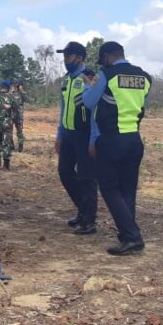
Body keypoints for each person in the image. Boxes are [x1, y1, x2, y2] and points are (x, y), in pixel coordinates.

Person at [83, 40, 152, 256]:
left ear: (107, 57)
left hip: (112, 139)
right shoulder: (144, 77)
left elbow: (88, 102)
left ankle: (133, 236)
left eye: (102, 60)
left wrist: (88, 85)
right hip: (134, 139)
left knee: (109, 188)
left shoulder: (108, 75)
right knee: (127, 190)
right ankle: (127, 236)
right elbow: (141, 105)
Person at [55, 41, 99, 235]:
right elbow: (64, 108)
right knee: (64, 172)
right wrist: (59, 134)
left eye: (68, 56)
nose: (65, 60)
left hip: (85, 135)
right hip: (68, 135)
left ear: (79, 58)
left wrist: (94, 139)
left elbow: (96, 110)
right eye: (64, 56)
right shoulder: (66, 80)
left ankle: (89, 221)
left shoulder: (90, 78)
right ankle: (83, 209)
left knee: (87, 177)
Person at [12, 78, 27, 152]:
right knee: (9, 131)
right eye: (15, 84)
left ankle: (20, 147)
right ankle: (11, 146)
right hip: (11, 115)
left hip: (19, 116)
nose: (16, 85)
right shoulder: (11, 92)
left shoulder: (22, 93)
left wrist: (21, 90)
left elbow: (26, 99)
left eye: (18, 84)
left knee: (19, 131)